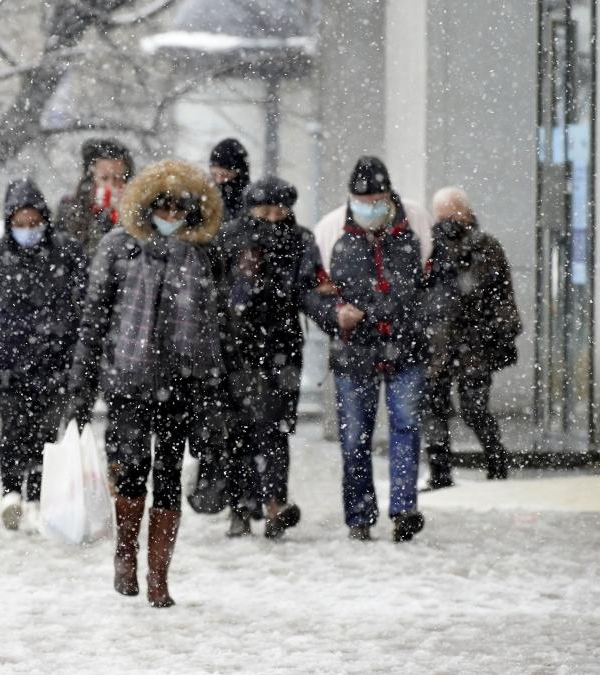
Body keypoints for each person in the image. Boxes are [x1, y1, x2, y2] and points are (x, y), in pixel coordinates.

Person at [68, 159, 226, 607]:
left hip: (184, 381)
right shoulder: (118, 247)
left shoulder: (205, 253)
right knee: (131, 471)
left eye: (180, 209)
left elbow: (219, 326)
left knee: (170, 476)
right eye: (164, 208)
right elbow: (94, 320)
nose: (171, 216)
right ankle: (124, 554)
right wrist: (81, 386)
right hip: (128, 381)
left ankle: (159, 576)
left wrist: (215, 392)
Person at [216, 176, 356, 538]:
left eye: (281, 211)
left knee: (275, 429)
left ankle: (275, 502)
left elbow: (310, 291)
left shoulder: (300, 240)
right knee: (239, 431)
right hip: (236, 347)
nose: (274, 218)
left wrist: (331, 317)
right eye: (266, 211)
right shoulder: (230, 237)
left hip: (281, 346)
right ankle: (241, 508)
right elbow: (215, 292)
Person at [0, 178, 87, 532]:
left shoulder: (68, 253)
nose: (28, 230)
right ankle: (12, 493)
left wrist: (66, 338)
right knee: (15, 428)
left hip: (54, 365)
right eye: (20, 223)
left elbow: (84, 303)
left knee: (47, 432)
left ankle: (37, 495)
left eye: (34, 222)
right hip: (7, 366)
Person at [323, 156, 427, 542]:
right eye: (361, 199)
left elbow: (432, 284)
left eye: (376, 198)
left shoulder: (415, 226)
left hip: (406, 346)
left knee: (407, 426)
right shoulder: (333, 230)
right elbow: (313, 291)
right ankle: (360, 516)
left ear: (389, 195)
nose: (369, 206)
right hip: (355, 353)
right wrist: (336, 315)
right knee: (355, 438)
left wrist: (411, 319)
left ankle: (403, 510)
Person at [422, 186, 522, 487]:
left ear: (465, 213)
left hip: (474, 345)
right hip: (438, 344)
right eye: (440, 217)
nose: (445, 222)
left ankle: (496, 460)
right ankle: (440, 472)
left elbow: (501, 295)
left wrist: (496, 333)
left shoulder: (486, 247)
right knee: (434, 408)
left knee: (474, 408)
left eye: (450, 215)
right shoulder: (429, 248)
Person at [187, 137, 253, 515]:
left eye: (226, 170)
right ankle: (215, 486)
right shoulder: (205, 207)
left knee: (236, 416)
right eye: (216, 170)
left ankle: (234, 492)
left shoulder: (241, 212)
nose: (220, 177)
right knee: (213, 413)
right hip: (213, 327)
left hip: (236, 330)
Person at [55, 138, 135, 255]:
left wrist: (122, 217)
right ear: (92, 178)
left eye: (118, 178)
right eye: (104, 178)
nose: (111, 185)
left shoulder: (136, 212)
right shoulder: (70, 208)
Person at [209, 138, 251, 222]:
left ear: (240, 174)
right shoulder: (206, 196)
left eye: (225, 175)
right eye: (214, 175)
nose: (219, 180)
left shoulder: (251, 201)